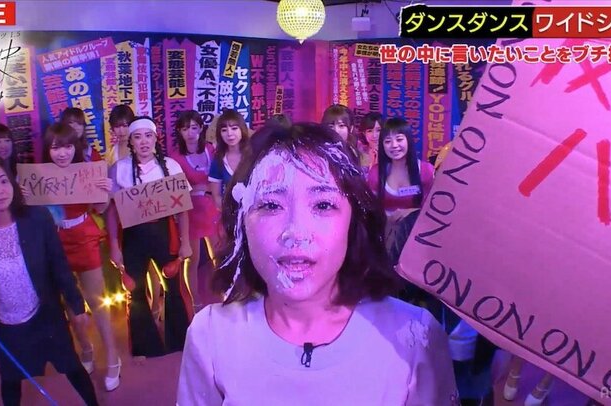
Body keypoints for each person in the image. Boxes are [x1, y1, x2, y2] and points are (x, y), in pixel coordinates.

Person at [177, 123, 458, 405]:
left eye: (323, 205)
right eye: (271, 205)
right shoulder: (211, 337)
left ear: (354, 222)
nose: (296, 232)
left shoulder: (414, 337)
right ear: (241, 223)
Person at [0, 156, 98, 406]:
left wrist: (77, 305)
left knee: (72, 366)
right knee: (11, 380)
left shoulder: (38, 218)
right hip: (5, 322)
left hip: (45, 315)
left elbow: (59, 266)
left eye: (3, 181)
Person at [40, 123, 121, 391]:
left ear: (75, 147)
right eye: (56, 147)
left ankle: (112, 357)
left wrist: (105, 191)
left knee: (97, 301)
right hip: (54, 242)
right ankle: (85, 348)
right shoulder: (40, 175)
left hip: (83, 237)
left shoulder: (86, 170)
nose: (62, 153)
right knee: (69, 303)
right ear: (48, 150)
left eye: (67, 147)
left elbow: (100, 207)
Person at [106, 116, 193, 359]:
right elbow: (111, 211)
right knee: (135, 291)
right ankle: (146, 347)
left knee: (173, 286)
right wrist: (114, 245)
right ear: (131, 141)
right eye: (137, 137)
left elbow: (183, 208)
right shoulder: (119, 169)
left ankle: (180, 342)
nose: (143, 141)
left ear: (156, 138)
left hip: (164, 232)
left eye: (148, 136)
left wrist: (185, 241)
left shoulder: (170, 166)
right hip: (133, 235)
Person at [175, 111, 221, 313]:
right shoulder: (175, 157)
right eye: (185, 129)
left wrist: (205, 188)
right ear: (179, 131)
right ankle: (195, 302)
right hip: (190, 212)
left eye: (194, 128)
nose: (190, 133)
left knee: (218, 254)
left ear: (201, 129)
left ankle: (223, 294)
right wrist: (201, 188)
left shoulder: (211, 149)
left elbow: (219, 179)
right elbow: (178, 190)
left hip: (213, 208)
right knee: (191, 259)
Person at [368, 117, 435, 216]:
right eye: (388, 141)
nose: (394, 145)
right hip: (384, 225)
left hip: (418, 224)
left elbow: (434, 206)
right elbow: (371, 209)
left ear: (409, 140)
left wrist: (411, 212)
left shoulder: (426, 171)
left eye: (399, 139)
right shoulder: (375, 173)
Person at [208, 109, 250, 211]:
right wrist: (230, 214)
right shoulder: (218, 160)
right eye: (224, 130)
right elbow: (216, 196)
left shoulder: (254, 155)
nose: (229, 134)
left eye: (234, 128)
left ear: (242, 129)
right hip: (230, 215)